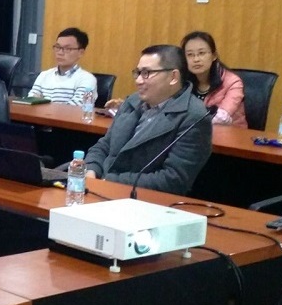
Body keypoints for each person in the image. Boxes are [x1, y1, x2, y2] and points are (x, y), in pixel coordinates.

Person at [83, 44, 212, 195]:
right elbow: (104, 145)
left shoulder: (193, 116)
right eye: (138, 73)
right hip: (100, 187)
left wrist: (109, 181)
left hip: (144, 199)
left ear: (173, 77)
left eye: (146, 73)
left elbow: (173, 179)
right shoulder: (132, 101)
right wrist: (91, 170)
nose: (138, 80)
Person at [181, 31, 246, 128]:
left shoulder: (233, 82)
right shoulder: (183, 82)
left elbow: (222, 118)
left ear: (214, 56)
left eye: (201, 53)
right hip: (195, 134)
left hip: (231, 134)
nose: (196, 59)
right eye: (190, 55)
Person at [29, 27, 97, 105]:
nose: (60, 52)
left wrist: (44, 105)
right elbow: (31, 101)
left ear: (81, 52)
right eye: (58, 47)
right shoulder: (44, 75)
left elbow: (80, 106)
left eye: (67, 49)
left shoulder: (88, 79)